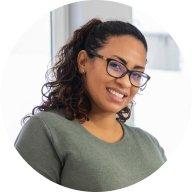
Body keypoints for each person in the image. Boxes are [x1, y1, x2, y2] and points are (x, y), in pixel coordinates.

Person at [14, 18, 167, 191]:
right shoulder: (46, 130)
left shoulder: (150, 144)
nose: (126, 83)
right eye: (116, 65)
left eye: (136, 74)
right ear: (83, 62)